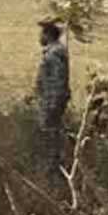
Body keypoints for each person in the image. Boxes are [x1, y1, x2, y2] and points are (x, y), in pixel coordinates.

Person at [35, 17, 71, 175]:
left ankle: (53, 166)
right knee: (51, 132)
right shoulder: (54, 52)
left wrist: (53, 102)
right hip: (49, 99)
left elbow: (58, 79)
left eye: (42, 33)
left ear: (48, 34)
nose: (39, 37)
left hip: (51, 101)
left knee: (50, 133)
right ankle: (54, 163)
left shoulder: (55, 54)